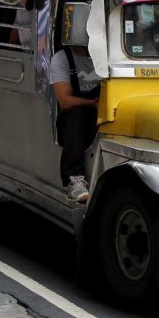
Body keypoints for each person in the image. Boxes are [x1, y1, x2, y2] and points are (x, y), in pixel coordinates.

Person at [49, 43, 102, 203]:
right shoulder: (62, 58)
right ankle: (74, 180)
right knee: (75, 114)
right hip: (78, 119)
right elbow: (64, 100)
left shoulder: (112, 53)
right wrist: (93, 104)